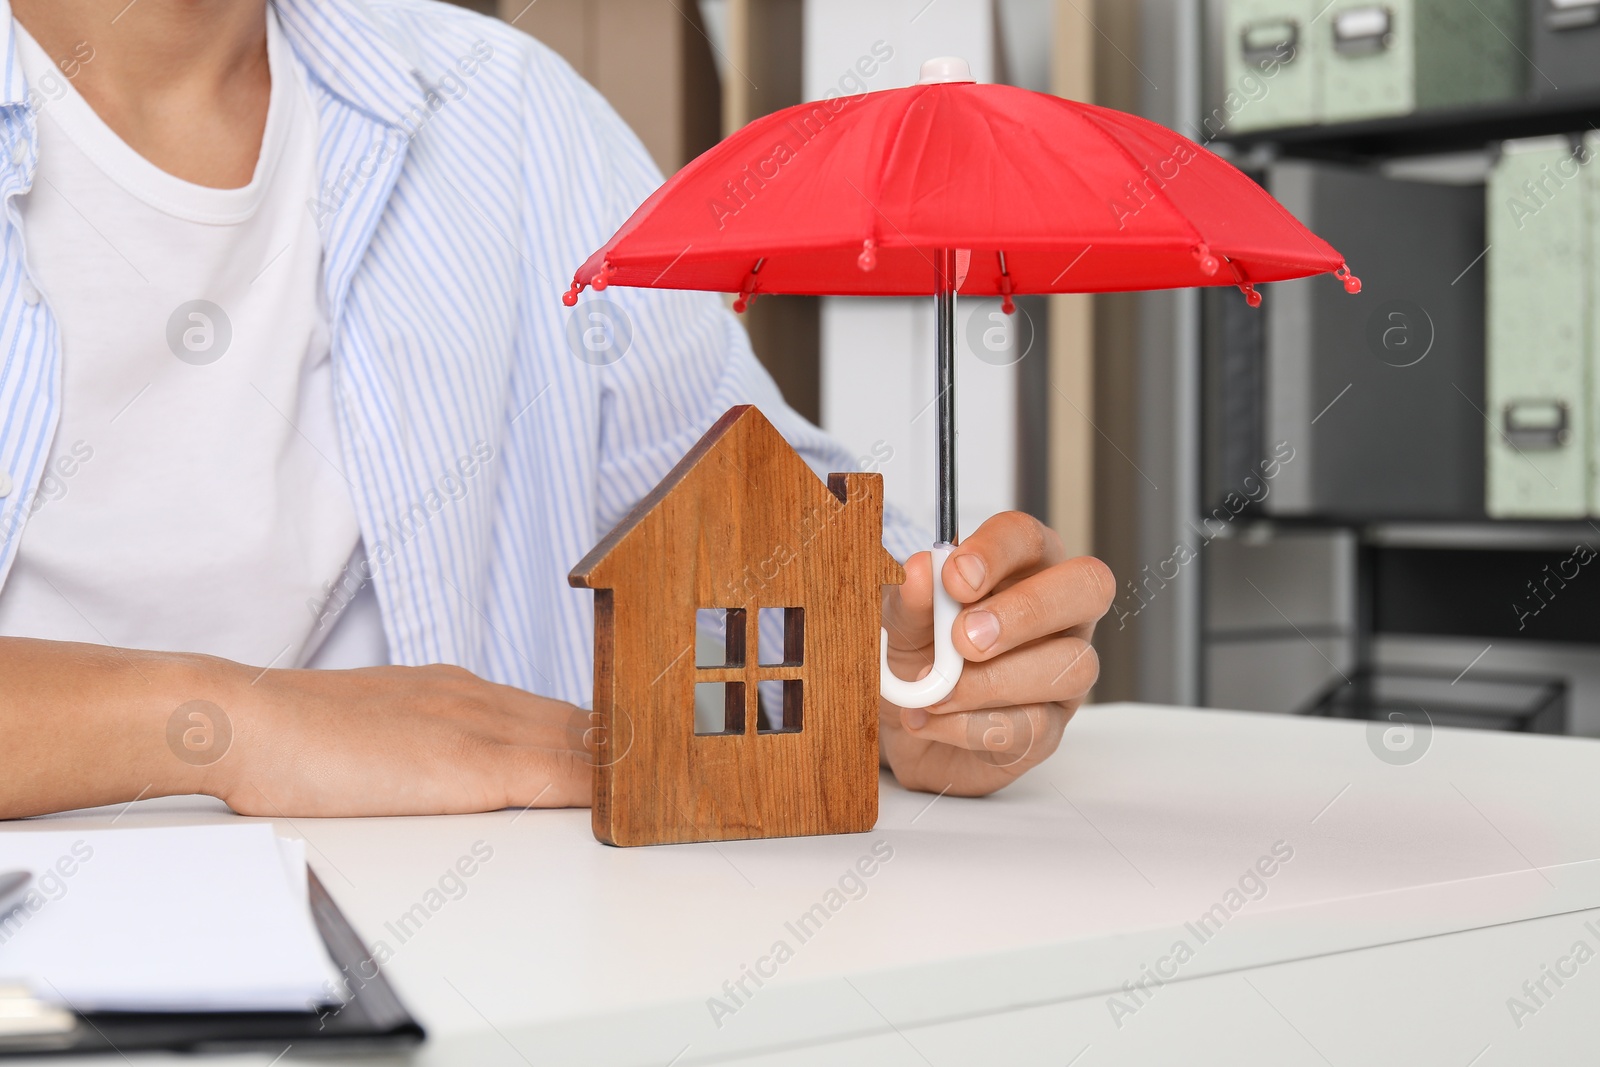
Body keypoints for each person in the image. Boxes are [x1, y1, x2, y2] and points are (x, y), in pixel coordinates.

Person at [0, 0, 1113, 821]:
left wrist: (897, 659)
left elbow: (740, 505)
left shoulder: (510, 113)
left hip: (504, 961)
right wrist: (240, 722)